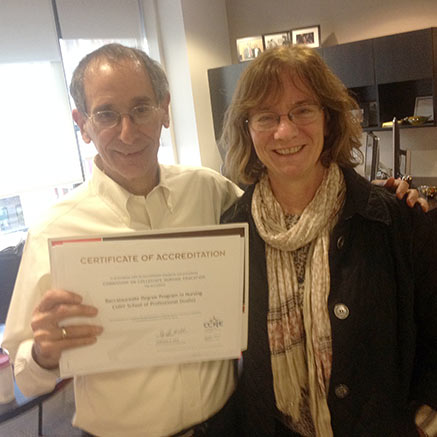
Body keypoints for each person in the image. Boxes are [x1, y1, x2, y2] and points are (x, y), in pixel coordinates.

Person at [2, 44, 243, 437]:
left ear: (165, 109)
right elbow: (23, 378)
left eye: (142, 108)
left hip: (226, 425)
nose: (128, 132)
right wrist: (44, 354)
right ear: (83, 124)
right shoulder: (53, 231)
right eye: (107, 114)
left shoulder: (209, 190)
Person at [220, 45, 437, 436]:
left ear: (329, 118)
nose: (285, 131)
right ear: (246, 128)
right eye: (266, 116)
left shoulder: (394, 220)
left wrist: (422, 421)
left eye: (302, 109)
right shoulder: (231, 233)